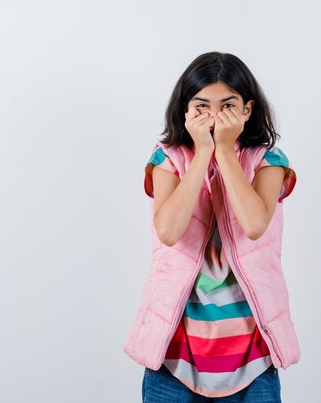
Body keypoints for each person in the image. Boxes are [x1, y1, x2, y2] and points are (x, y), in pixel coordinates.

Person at [124, 51, 301, 403]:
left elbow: (253, 224)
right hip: (174, 357)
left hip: (252, 357)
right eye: (202, 106)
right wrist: (202, 152)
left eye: (228, 105)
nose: (215, 115)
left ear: (247, 110)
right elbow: (169, 231)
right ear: (186, 111)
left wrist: (224, 150)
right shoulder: (167, 158)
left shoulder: (268, 160)